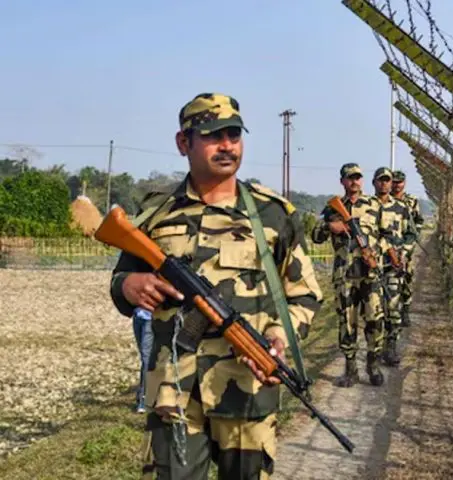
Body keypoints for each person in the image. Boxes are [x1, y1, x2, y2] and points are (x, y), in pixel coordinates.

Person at [107, 92, 323, 479]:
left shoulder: (272, 215)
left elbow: (305, 292)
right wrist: (129, 286)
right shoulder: (156, 214)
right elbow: (121, 279)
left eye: (234, 134)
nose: (226, 145)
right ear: (183, 142)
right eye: (212, 135)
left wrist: (278, 335)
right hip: (173, 394)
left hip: (245, 391)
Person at [311, 163, 386, 388]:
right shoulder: (333, 207)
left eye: (358, 178)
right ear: (342, 181)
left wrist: (375, 252)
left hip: (370, 273)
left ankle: (373, 365)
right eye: (350, 178)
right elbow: (315, 236)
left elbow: (387, 235)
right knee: (347, 322)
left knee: (375, 318)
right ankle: (350, 369)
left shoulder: (374, 205)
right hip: (345, 274)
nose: (354, 181)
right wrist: (328, 226)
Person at [371, 167, 416, 365]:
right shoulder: (366, 207)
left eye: (387, 180)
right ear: (374, 183)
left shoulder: (401, 208)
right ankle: (376, 349)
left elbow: (411, 234)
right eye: (381, 180)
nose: (384, 183)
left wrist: (403, 253)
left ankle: (391, 348)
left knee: (393, 309)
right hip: (370, 267)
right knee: (374, 312)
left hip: (392, 267)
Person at [390, 170, 424, 327]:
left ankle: (405, 309)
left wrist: (413, 238)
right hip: (389, 245)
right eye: (394, 182)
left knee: (406, 277)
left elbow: (419, 220)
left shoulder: (411, 201)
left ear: (404, 183)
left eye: (400, 182)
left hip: (406, 244)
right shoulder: (384, 199)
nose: (397, 185)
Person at [132, 306, 154, 414]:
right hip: (137, 316)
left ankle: (144, 400)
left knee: (146, 358)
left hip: (150, 319)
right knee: (144, 357)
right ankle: (142, 393)